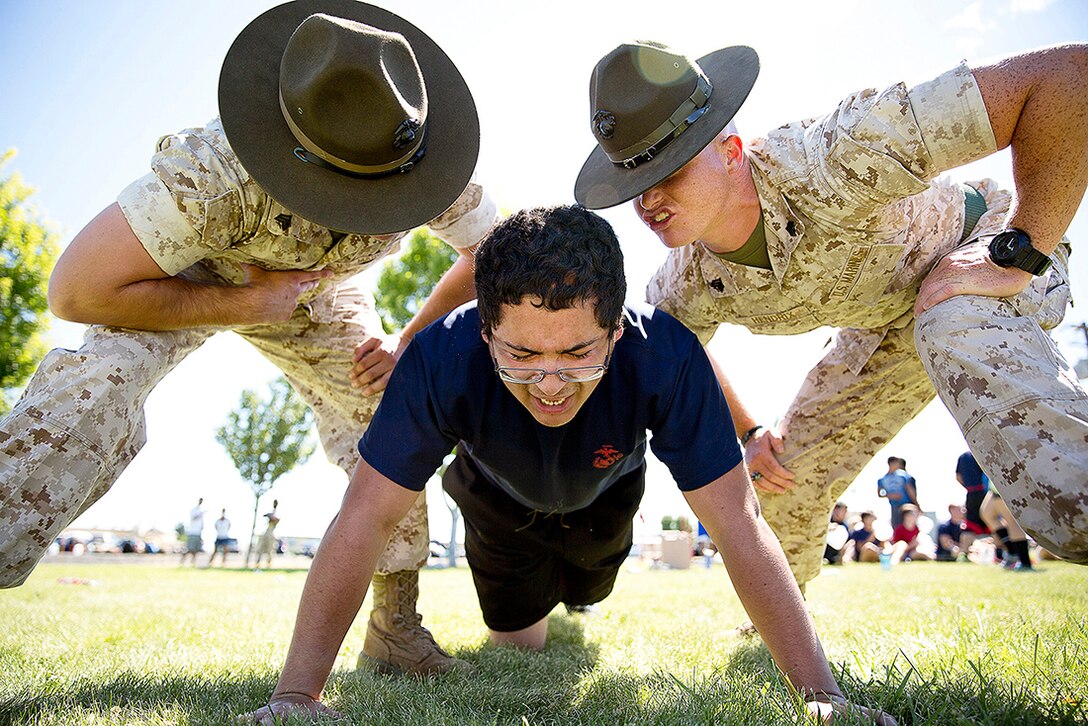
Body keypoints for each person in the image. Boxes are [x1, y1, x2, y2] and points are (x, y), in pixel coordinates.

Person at [242, 206, 894, 725]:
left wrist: (822, 696)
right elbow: (365, 517)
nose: (551, 384)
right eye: (521, 355)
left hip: (603, 497)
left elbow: (736, 522)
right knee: (520, 645)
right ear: (484, 331)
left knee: (586, 592)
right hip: (497, 504)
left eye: (579, 353)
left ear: (616, 330)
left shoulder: (665, 354)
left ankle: (580, 588)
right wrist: (298, 694)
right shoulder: (438, 359)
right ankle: (529, 601)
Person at [0, 1, 498, 676]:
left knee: (391, 409)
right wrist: (245, 302)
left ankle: (396, 629)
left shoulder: (424, 159)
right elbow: (77, 290)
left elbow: (489, 254)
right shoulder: (212, 176)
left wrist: (409, 340)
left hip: (317, 296)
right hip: (191, 278)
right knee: (98, 385)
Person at [575, 40, 1088, 592]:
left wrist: (1018, 250)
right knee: (784, 474)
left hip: (982, 252)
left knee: (951, 319)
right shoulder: (686, 280)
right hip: (888, 327)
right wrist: (749, 430)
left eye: (669, 169)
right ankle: (783, 629)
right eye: (634, 180)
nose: (648, 199)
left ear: (729, 150)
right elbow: (676, 350)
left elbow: (1064, 76)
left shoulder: (835, 154)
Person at [877, 457, 918, 528]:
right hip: (894, 506)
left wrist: (915, 503)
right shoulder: (883, 479)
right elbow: (880, 493)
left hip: (907, 506)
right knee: (897, 526)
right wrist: (890, 495)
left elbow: (909, 489)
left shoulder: (903, 476)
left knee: (909, 526)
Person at [255, 500, 281, 569]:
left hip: (271, 532)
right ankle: (257, 563)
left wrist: (271, 516)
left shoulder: (277, 512)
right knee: (260, 548)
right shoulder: (271, 511)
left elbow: (276, 519)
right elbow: (265, 515)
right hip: (265, 532)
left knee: (270, 549)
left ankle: (268, 564)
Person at [181, 497, 206, 566]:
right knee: (189, 549)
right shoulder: (194, 510)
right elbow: (193, 518)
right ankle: (182, 561)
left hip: (198, 533)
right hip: (192, 532)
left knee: (196, 549)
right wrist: (200, 514)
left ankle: (193, 562)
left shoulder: (201, 510)